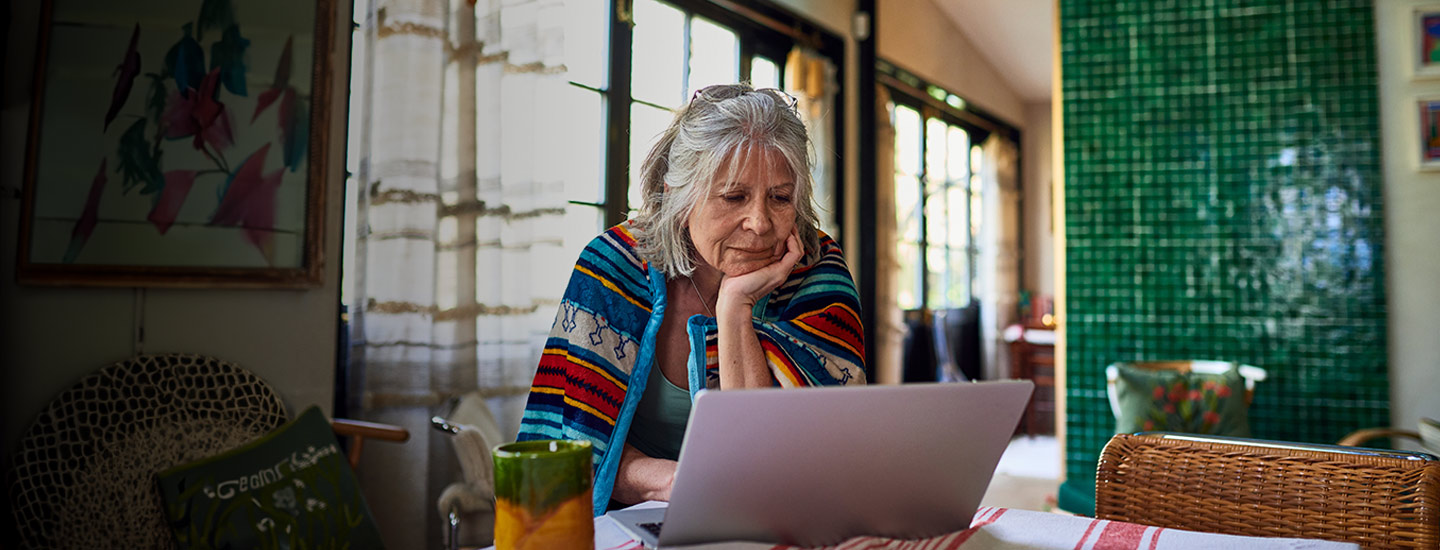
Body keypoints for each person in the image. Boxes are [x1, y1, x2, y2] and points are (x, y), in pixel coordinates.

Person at [516, 83, 866, 516]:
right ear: (679, 197)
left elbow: (784, 464)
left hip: (778, 522)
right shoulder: (612, 267)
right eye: (734, 196)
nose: (759, 222)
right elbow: (572, 445)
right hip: (626, 518)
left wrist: (735, 308)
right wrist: (674, 480)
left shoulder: (818, 273)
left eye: (780, 197)